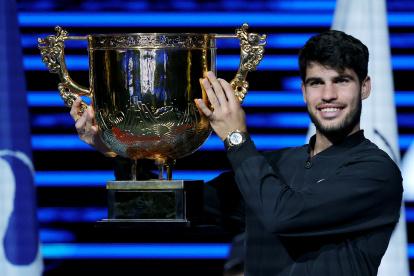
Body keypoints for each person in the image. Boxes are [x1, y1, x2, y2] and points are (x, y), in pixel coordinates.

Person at [71, 30, 403, 276]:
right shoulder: (275, 165)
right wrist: (121, 148)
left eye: (341, 81)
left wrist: (235, 137)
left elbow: (284, 216)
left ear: (365, 87)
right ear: (303, 91)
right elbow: (158, 208)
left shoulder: (375, 171)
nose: (328, 95)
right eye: (317, 83)